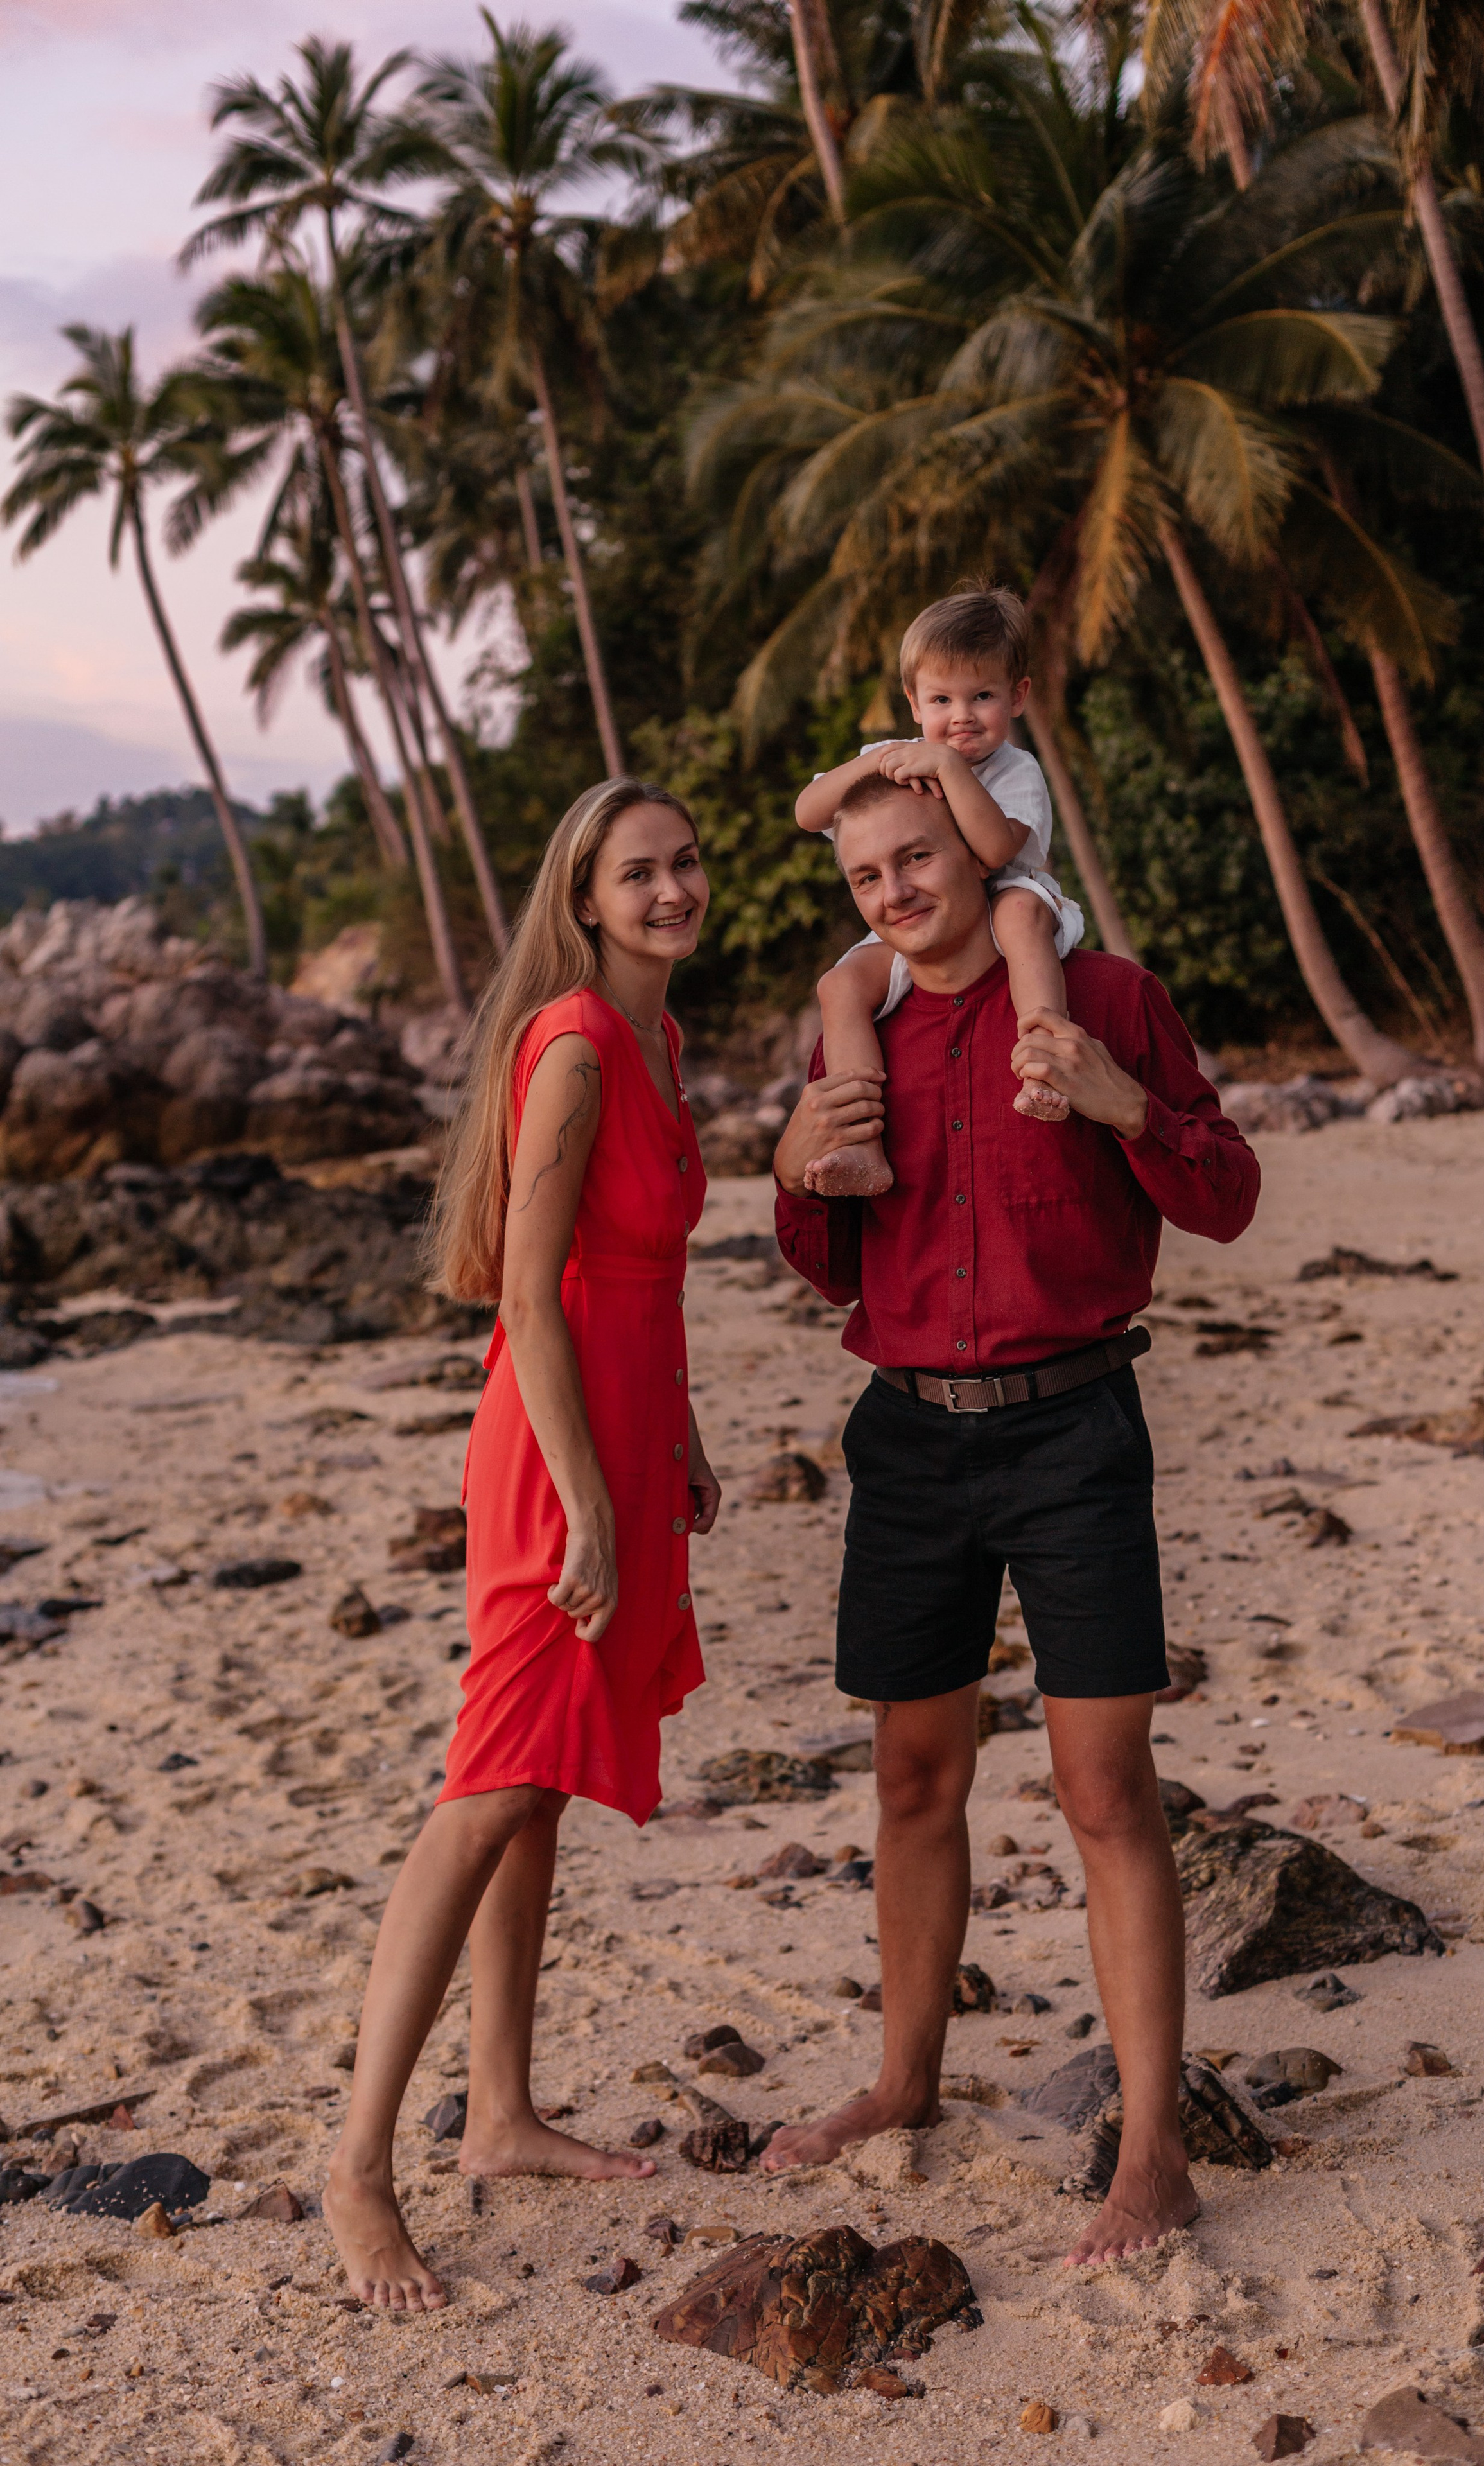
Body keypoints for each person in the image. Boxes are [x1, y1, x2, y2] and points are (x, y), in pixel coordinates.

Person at [764, 772, 1259, 2268]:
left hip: (1074, 1429)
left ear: (979, 847)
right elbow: (836, 1260)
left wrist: (1121, 1102)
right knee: (911, 1781)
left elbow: (1225, 1192)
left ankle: (1154, 2151)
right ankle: (904, 2077)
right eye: (864, 876)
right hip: (908, 1441)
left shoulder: (1103, 993)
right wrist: (791, 1169)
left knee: (1105, 1789)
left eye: (915, 855)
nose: (894, 891)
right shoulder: (857, 1031)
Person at [324, 778, 722, 2312]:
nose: (672, 887)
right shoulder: (572, 1048)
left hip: (622, 1432)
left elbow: (647, 1274)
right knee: (484, 1788)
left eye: (685, 861)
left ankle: (498, 2111)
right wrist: (593, 1497)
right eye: (640, 871)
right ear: (584, 895)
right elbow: (529, 1296)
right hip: (554, 1452)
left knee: (535, 1784)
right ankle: (359, 2164)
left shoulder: (665, 1039)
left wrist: (675, 1440)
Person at [793, 582, 1083, 1198]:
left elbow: (996, 852)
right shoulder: (890, 757)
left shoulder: (1014, 770)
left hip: (1011, 893)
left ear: (1018, 696)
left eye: (983, 696)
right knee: (839, 985)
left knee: (1019, 918)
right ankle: (860, 1143)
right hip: (921, 923)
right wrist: (876, 763)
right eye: (942, 699)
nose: (961, 717)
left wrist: (949, 769)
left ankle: (1044, 1060)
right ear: (913, 701)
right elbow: (808, 811)